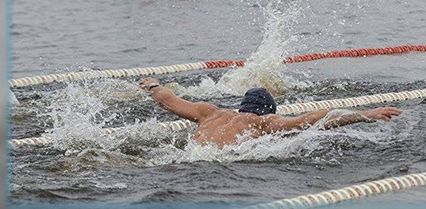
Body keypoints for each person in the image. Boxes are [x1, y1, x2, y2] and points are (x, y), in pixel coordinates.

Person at [139, 77, 402, 148]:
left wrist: (152, 85)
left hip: (187, 153)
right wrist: (366, 113)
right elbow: (316, 118)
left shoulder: (211, 112)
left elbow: (169, 100)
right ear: (268, 111)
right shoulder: (265, 123)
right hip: (211, 162)